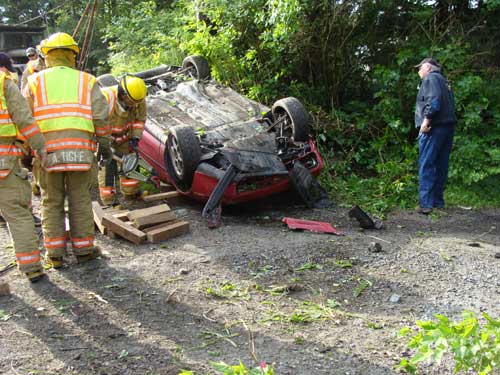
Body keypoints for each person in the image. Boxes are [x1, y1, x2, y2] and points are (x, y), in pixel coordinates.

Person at [24, 32, 110, 268]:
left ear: (47, 55)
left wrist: (26, 151)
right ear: (73, 55)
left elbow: (24, 119)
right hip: (81, 153)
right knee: (80, 199)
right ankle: (84, 251)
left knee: (51, 201)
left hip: (47, 154)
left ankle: (54, 255)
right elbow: (101, 118)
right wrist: (104, 146)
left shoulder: (34, 82)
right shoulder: (87, 81)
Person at [0, 61, 47, 282]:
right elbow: (24, 119)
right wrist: (40, 146)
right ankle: (32, 268)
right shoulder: (4, 83)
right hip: (4, 164)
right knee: (19, 215)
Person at [414, 57, 457, 214]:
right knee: (440, 165)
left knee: (427, 164)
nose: (419, 71)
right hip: (447, 128)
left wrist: (426, 121)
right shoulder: (444, 82)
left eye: (420, 68)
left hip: (434, 127)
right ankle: (438, 202)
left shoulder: (430, 79)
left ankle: (426, 204)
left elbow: (433, 102)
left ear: (427, 67)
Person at [98, 75, 147, 205]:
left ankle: (131, 193)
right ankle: (109, 201)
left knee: (131, 162)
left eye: (138, 102)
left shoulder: (138, 97)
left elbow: (140, 120)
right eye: (132, 102)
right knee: (107, 167)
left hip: (125, 137)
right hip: (106, 138)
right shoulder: (105, 98)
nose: (135, 105)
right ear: (123, 94)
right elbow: (95, 124)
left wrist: (135, 137)